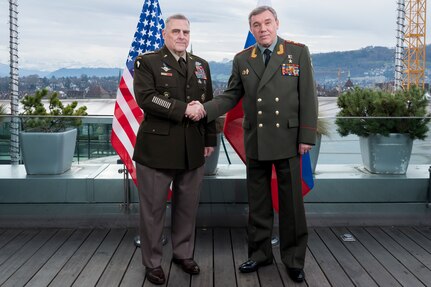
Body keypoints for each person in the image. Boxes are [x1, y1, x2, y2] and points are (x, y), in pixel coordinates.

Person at [187, 6, 317, 283]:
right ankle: (259, 255)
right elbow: (231, 96)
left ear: (277, 24)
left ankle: (293, 259)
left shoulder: (297, 52)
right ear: (252, 29)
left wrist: (307, 136)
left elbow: (308, 97)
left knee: (292, 205)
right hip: (257, 140)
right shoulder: (243, 59)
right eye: (256, 25)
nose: (263, 29)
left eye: (267, 23)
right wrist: (205, 109)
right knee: (258, 203)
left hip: (289, 140)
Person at [133, 14, 216, 285]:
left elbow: (209, 104)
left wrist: (209, 140)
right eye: (176, 31)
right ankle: (153, 262)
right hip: (157, 149)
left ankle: (182, 253)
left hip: (192, 147)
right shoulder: (148, 62)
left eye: (186, 32)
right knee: (153, 211)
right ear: (164, 34)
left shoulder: (201, 65)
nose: (182, 36)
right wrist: (183, 109)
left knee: (187, 208)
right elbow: (147, 98)